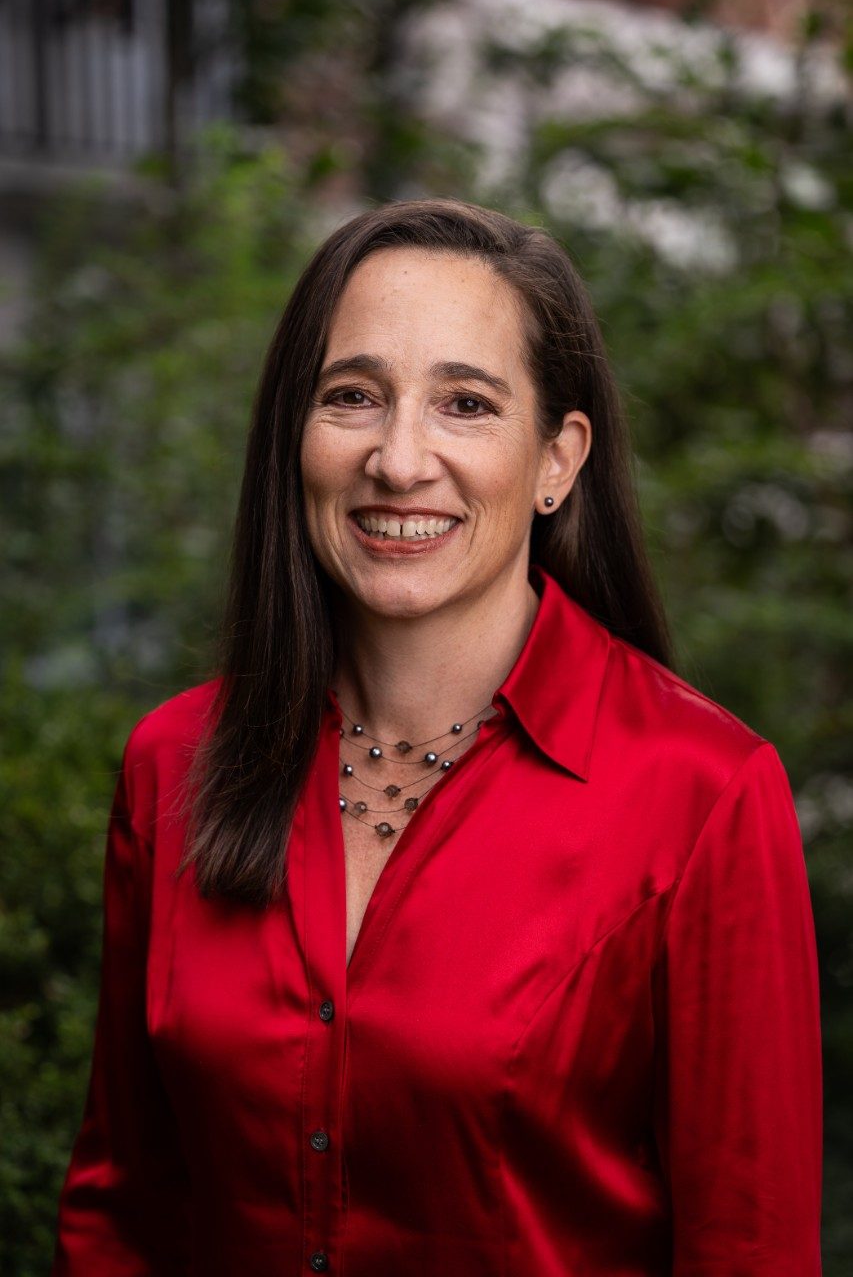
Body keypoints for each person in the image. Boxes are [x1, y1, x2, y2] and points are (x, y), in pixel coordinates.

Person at [51, 197, 822, 1276]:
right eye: (353, 396)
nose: (398, 458)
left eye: (464, 403)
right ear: (295, 437)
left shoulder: (700, 792)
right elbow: (125, 1212)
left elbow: (747, 1247)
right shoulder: (172, 763)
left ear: (557, 460)